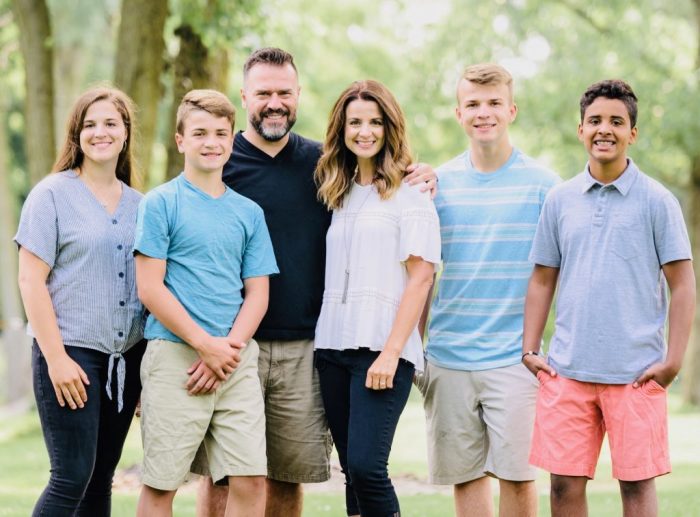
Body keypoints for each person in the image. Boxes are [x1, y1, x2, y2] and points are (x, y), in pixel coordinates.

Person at [193, 47, 437, 517]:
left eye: (284, 92)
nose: (274, 102)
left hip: (307, 347)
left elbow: (387, 196)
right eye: (263, 92)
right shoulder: (217, 163)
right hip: (232, 345)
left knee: (290, 474)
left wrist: (427, 175)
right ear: (244, 96)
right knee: (224, 474)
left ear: (299, 95)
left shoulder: (326, 167)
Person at [522, 79, 695, 517]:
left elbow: (683, 283)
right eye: (595, 120)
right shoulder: (560, 200)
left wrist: (673, 361)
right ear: (580, 128)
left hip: (636, 373)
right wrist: (530, 347)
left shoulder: (658, 201)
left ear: (632, 133)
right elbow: (543, 278)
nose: (605, 129)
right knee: (562, 488)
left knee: (636, 488)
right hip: (567, 369)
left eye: (617, 121)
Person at [419, 63, 560, 517]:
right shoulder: (436, 187)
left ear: (512, 110)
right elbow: (421, 275)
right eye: (473, 104)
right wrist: (415, 348)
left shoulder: (544, 187)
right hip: (449, 355)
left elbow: (560, 274)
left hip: (515, 357)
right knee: (466, 476)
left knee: (519, 476)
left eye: (494, 103)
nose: (484, 113)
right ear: (458, 113)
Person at [134, 89, 278, 517]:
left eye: (220, 133)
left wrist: (227, 350)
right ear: (180, 140)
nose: (211, 142)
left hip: (234, 361)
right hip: (176, 357)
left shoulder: (248, 212)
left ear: (232, 141)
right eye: (199, 133)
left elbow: (258, 292)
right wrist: (204, 345)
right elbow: (150, 288)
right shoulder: (160, 203)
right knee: (163, 484)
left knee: (250, 480)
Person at [15, 86, 146, 516]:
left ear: (126, 132)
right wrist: (56, 359)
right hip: (70, 354)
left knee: (99, 483)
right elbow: (30, 281)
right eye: (90, 124)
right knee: (71, 477)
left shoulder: (142, 206)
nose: (100, 132)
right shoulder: (51, 195)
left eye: (111, 123)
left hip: (126, 359)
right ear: (77, 134)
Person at [314, 79, 440, 517]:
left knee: (369, 469)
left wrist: (390, 352)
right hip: (332, 347)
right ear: (341, 129)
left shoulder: (412, 195)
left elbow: (421, 278)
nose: (364, 131)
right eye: (355, 122)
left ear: (390, 128)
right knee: (352, 471)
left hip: (383, 350)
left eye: (374, 122)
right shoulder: (335, 191)